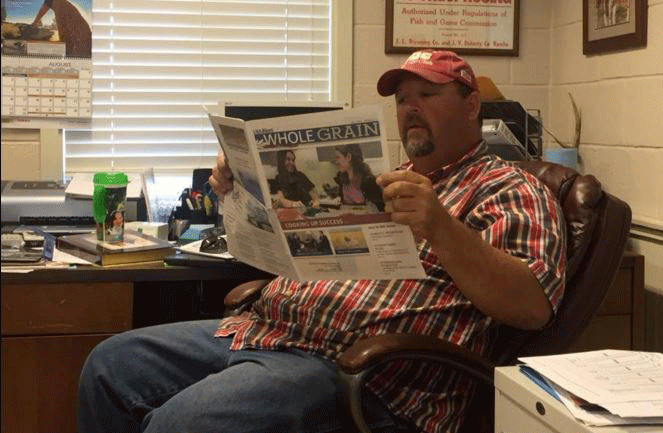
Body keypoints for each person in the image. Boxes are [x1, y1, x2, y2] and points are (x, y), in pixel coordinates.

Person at [77, 50, 566, 433]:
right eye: (401, 100)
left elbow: (531, 306)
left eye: (427, 95)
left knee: (185, 424)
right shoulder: (382, 179)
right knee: (108, 368)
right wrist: (241, 189)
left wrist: (440, 227)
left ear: (471, 105)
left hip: (362, 374)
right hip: (269, 331)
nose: (410, 108)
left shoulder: (511, 189)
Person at [332, 144, 385, 211]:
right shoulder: (341, 180)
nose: (336, 162)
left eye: (338, 157)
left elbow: (380, 209)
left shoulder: (369, 181)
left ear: (349, 157)